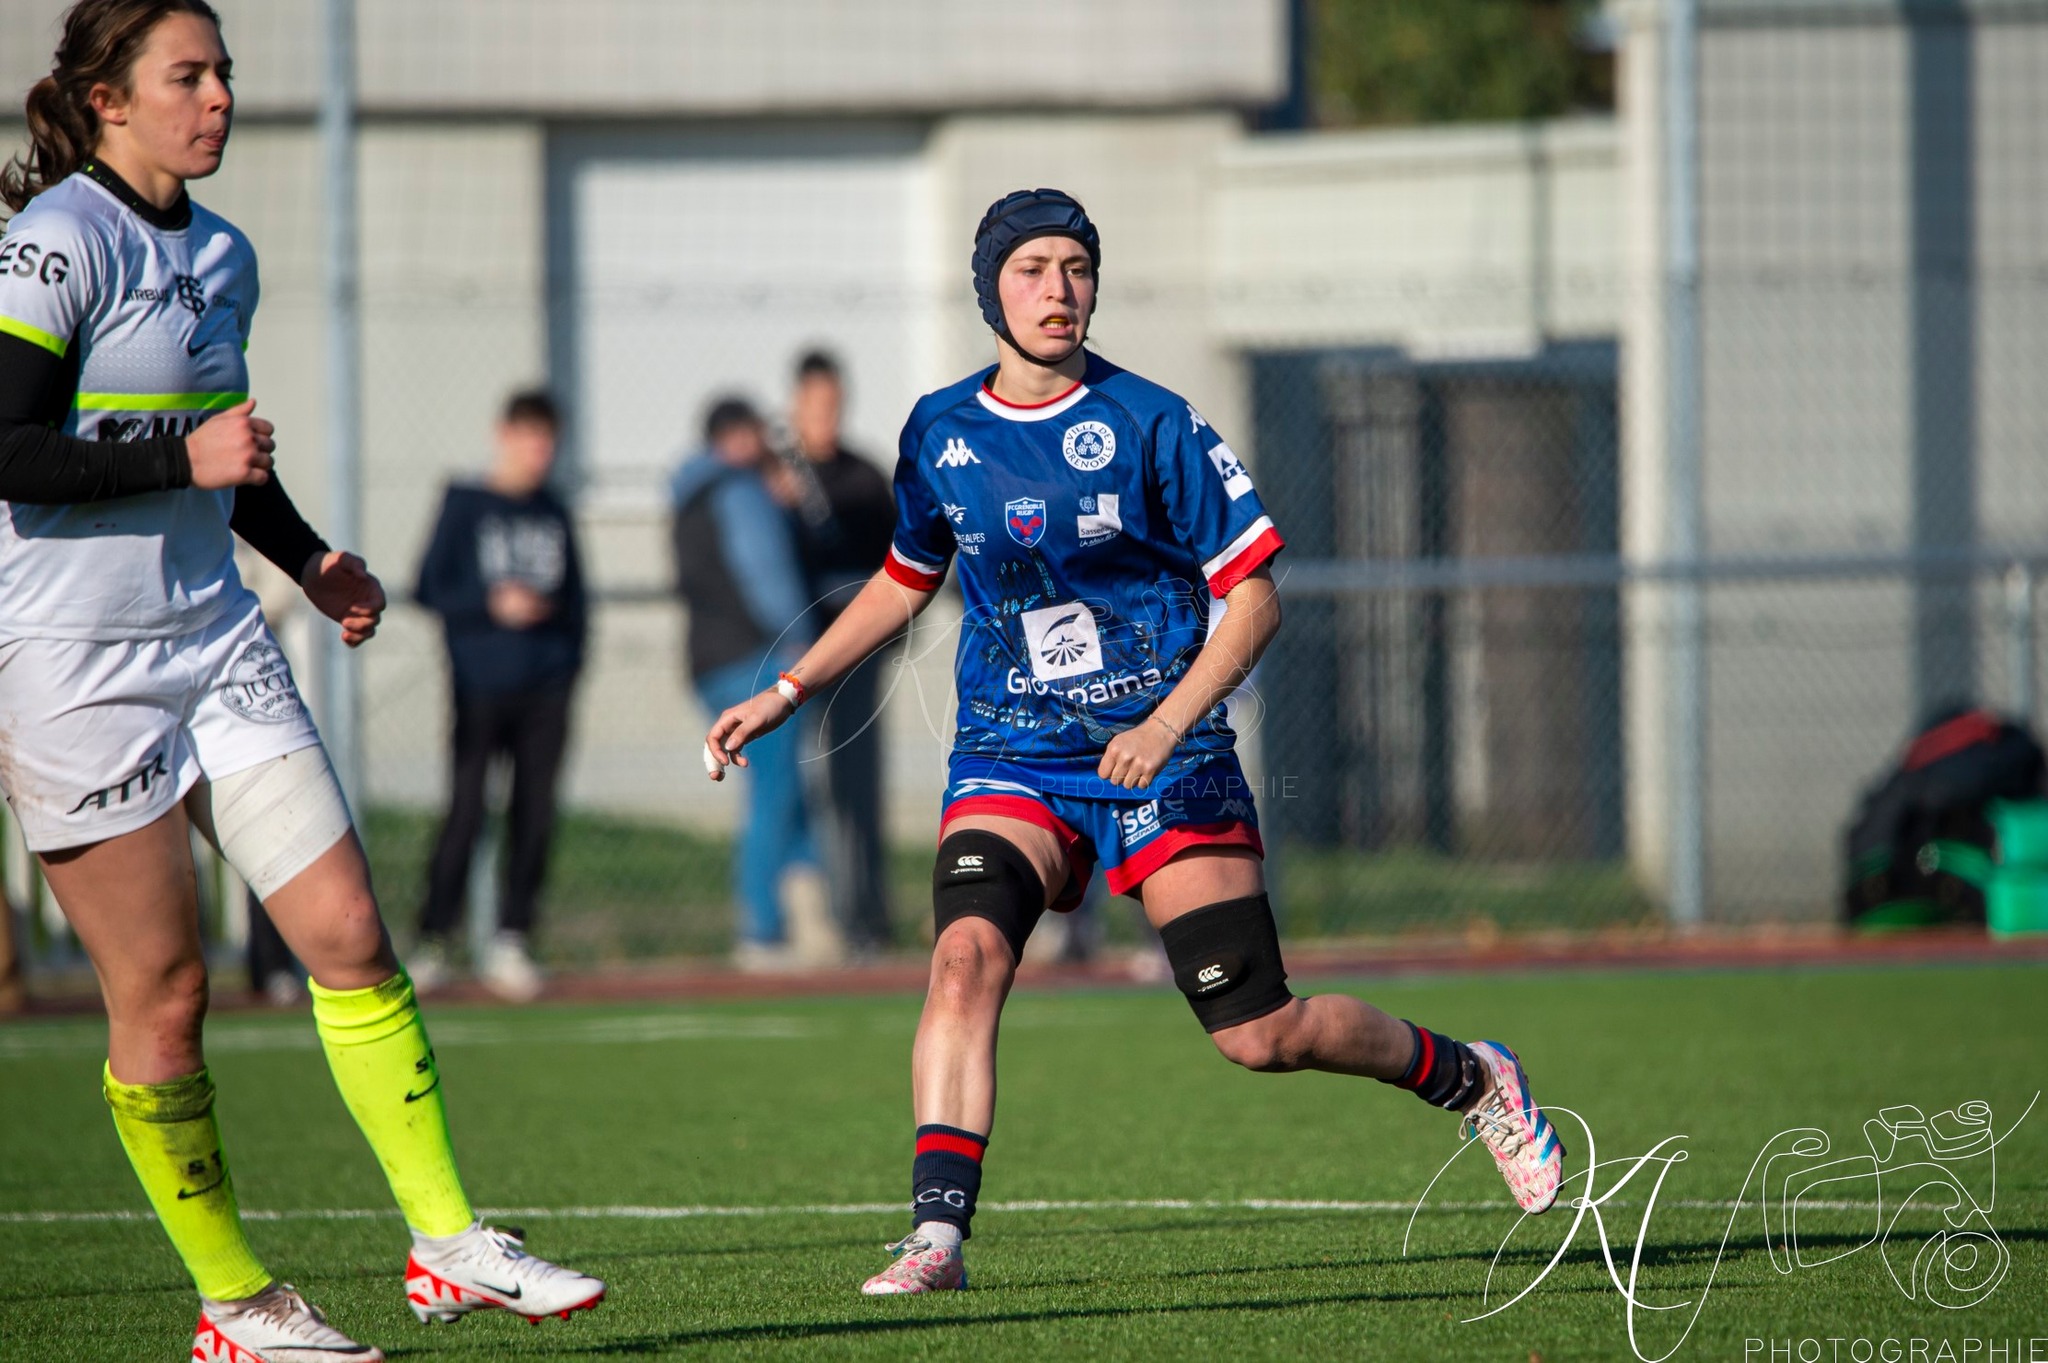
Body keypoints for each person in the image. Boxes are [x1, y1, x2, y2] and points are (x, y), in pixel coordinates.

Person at [705, 188, 1568, 1295]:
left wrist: (1163, 723)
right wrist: (788, 686)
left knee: (1258, 1031)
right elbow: (904, 580)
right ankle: (935, 1237)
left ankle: (1468, 1075)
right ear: (989, 291)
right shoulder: (938, 430)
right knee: (963, 961)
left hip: (1166, 757)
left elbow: (1252, 595)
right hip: (1011, 753)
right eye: (1031, 269)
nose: (1056, 289)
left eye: (1074, 267)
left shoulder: (1154, 422)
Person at [0, 5, 604, 1358]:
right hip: (69, 664)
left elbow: (229, 457)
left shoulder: (224, 254)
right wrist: (187, 467)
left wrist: (311, 553)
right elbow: (10, 450)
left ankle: (447, 1240)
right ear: (107, 98)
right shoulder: (48, 247)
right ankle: (237, 1303)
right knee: (163, 993)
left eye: (224, 73)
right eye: (188, 75)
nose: (217, 96)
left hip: (215, 633)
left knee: (347, 931)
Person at [410, 389, 587, 1002]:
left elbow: (576, 603)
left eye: (549, 442)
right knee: (465, 812)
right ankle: (434, 940)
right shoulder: (464, 503)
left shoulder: (553, 509)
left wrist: (566, 668)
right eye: (529, 439)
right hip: (479, 688)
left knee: (534, 817)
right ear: (503, 435)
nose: (539, 454)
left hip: (546, 691)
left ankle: (512, 939)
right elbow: (429, 585)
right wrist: (492, 604)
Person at [671, 396, 817, 968]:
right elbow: (766, 571)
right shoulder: (740, 490)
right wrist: (803, 642)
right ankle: (764, 928)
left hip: (709, 660)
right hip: (754, 658)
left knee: (785, 792)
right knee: (775, 792)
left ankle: (810, 913)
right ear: (738, 437)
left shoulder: (689, 491)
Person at [785, 350, 899, 952]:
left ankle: (863, 919)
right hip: (789, 659)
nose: (825, 416)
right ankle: (796, 917)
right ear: (795, 405)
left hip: (854, 660)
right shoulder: (776, 479)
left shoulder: (863, 476)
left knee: (857, 787)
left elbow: (904, 569)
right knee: (794, 787)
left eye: (834, 404)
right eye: (815, 404)